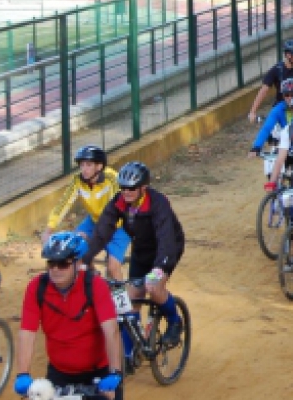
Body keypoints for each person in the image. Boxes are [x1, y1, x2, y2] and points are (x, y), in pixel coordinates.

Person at [86, 162, 186, 350]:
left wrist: (158, 269)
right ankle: (129, 353)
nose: (126, 192)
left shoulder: (158, 203)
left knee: (153, 287)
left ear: (143, 188)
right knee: (129, 303)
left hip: (167, 248)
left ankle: (175, 322)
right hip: (141, 250)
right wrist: (84, 260)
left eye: (131, 188)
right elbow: (101, 233)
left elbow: (165, 239)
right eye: (123, 187)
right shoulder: (119, 202)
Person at [15, 232, 123, 400]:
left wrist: (115, 371)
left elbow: (111, 331)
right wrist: (22, 373)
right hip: (59, 375)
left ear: (78, 263)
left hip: (98, 375)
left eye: (63, 264)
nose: (56, 269)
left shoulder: (95, 285)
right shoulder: (37, 288)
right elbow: (27, 333)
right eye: (51, 264)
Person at [44, 145, 128, 281]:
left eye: (89, 165)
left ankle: (122, 299)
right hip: (94, 221)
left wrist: (98, 235)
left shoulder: (112, 178)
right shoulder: (77, 180)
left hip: (118, 225)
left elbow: (117, 207)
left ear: (99, 166)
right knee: (76, 248)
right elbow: (63, 204)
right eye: (82, 165)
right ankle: (93, 276)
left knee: (113, 267)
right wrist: (49, 229)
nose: (84, 169)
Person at [248, 40, 293, 122]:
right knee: (269, 131)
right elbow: (263, 91)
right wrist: (253, 111)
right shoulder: (276, 70)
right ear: (289, 55)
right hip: (280, 108)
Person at [249, 78, 293, 156]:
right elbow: (266, 128)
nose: (290, 98)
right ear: (283, 96)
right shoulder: (278, 109)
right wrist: (256, 147)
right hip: (286, 141)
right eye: (287, 95)